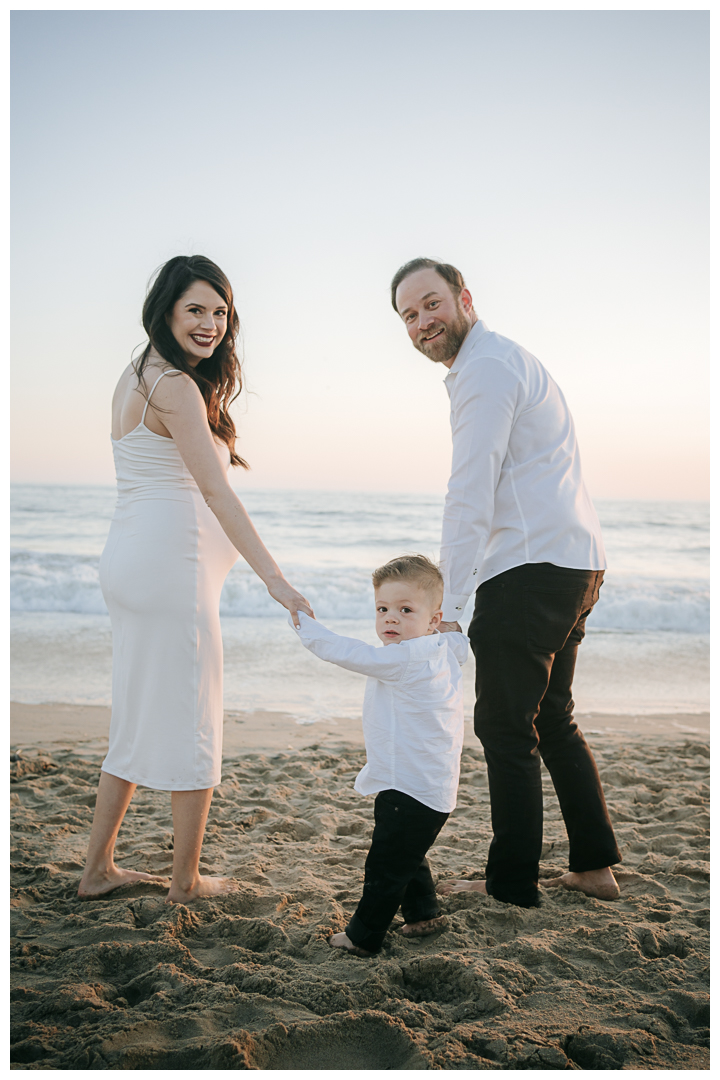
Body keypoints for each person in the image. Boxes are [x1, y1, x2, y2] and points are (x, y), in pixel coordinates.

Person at [78, 255, 313, 904]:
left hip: (132, 564)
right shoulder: (175, 387)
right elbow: (217, 494)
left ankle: (98, 869)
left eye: (220, 312)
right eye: (196, 310)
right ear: (166, 310)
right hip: (168, 577)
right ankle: (185, 882)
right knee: (195, 721)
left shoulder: (137, 373)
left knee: (134, 719)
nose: (211, 324)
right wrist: (276, 579)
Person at [390, 258, 621, 909]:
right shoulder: (508, 360)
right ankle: (594, 866)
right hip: (576, 561)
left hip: (527, 569)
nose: (422, 322)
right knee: (550, 717)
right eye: (409, 315)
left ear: (464, 298)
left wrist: (447, 602)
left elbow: (470, 490)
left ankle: (512, 883)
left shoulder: (485, 369)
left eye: (431, 304)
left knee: (504, 726)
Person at [290, 555, 468, 956]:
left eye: (406, 610)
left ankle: (364, 936)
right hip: (428, 782)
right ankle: (423, 914)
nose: (392, 619)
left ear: (431, 619)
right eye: (383, 609)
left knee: (385, 865)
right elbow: (461, 641)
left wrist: (304, 623)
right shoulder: (444, 646)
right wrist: (453, 626)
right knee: (406, 852)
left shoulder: (405, 658)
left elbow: (347, 652)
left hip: (409, 784)